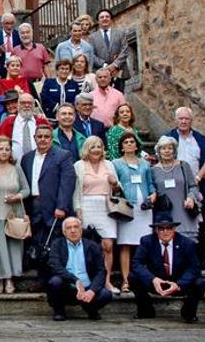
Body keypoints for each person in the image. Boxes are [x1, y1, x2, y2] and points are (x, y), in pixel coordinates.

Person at [129, 211, 205, 323]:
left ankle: (188, 312)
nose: (165, 232)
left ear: (174, 229)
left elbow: (194, 267)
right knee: (133, 277)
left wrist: (179, 284)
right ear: (156, 230)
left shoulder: (187, 243)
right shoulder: (147, 241)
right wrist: (152, 279)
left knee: (200, 283)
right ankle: (145, 310)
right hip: (157, 282)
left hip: (178, 281)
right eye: (161, 229)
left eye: (169, 228)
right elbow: (136, 263)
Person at [20, 125, 77, 275]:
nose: (43, 140)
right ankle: (39, 273)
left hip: (54, 207)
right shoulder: (27, 158)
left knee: (53, 244)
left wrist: (62, 206)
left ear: (52, 139)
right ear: (34, 138)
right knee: (36, 242)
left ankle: (53, 277)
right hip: (33, 205)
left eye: (46, 137)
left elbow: (67, 183)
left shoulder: (63, 155)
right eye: (40, 136)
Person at [72, 136, 120, 294]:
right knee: (87, 246)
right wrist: (78, 209)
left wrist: (114, 183)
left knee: (108, 246)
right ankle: (88, 280)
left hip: (106, 207)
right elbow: (76, 191)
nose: (97, 150)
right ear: (87, 149)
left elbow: (118, 190)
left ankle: (106, 281)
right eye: (93, 147)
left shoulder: (109, 165)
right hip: (86, 206)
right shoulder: (79, 165)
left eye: (99, 146)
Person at [169, 106, 205, 265]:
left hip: (195, 186)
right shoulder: (168, 137)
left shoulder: (200, 139)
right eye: (180, 118)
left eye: (186, 119)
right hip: (173, 187)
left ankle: (199, 260)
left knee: (198, 223)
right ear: (176, 120)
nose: (183, 121)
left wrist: (197, 178)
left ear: (191, 121)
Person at [47, 217, 114, 321]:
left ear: (81, 230)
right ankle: (59, 311)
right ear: (64, 232)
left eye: (76, 227)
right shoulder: (57, 244)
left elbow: (101, 271)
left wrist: (92, 290)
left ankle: (91, 309)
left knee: (106, 294)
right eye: (69, 228)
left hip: (88, 287)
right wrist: (75, 280)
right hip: (68, 287)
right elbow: (56, 266)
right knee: (54, 282)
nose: (73, 230)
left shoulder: (93, 246)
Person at [113, 132, 156, 293]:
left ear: (137, 145)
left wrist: (153, 195)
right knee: (126, 244)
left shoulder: (145, 164)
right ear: (121, 146)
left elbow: (151, 184)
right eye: (126, 142)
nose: (130, 144)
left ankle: (145, 278)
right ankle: (126, 280)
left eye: (132, 142)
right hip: (126, 207)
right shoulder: (116, 163)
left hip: (144, 208)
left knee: (144, 243)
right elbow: (114, 186)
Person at [0, 136, 30, 294]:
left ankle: (10, 279)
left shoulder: (16, 168)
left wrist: (18, 196)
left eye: (7, 149)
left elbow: (26, 189)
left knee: (13, 249)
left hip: (13, 215)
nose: (4, 152)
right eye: (1, 149)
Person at [151, 136, 201, 240]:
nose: (167, 151)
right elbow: (152, 189)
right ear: (158, 151)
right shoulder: (153, 170)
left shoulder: (183, 166)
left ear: (174, 150)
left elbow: (193, 186)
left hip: (184, 213)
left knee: (188, 247)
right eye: (163, 148)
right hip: (164, 216)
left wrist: (191, 197)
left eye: (170, 148)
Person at [0, 93, 48, 159]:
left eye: (30, 103)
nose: (26, 105)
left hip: (39, 163)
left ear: (34, 105)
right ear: (18, 105)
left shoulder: (41, 121)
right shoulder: (8, 122)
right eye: (23, 103)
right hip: (14, 164)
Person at [89, 9, 131, 92]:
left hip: (119, 72)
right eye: (102, 17)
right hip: (101, 74)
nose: (105, 18)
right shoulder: (92, 37)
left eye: (107, 16)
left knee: (119, 99)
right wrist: (105, 65)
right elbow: (91, 55)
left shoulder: (120, 33)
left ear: (111, 19)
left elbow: (125, 50)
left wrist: (114, 65)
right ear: (98, 21)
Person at [0, 12, 20, 78]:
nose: (9, 26)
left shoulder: (19, 36)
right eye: (7, 23)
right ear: (2, 24)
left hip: (16, 71)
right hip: (1, 71)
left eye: (12, 23)